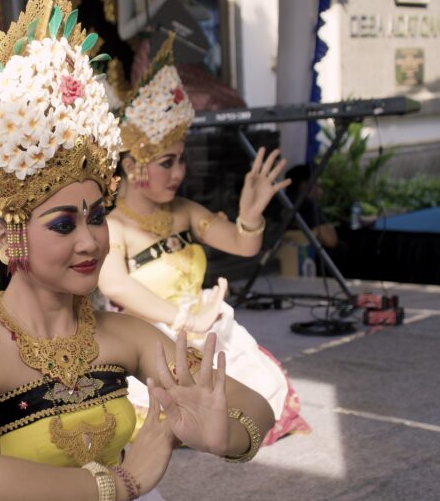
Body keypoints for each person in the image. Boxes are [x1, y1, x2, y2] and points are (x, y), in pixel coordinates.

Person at [0, 0, 273, 501]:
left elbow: (254, 410)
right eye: (63, 222)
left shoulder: (123, 337)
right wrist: (123, 481)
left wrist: (221, 433)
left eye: (95, 216)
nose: (90, 240)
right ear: (8, 239)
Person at [97, 35, 309, 445]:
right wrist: (183, 321)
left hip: (201, 329)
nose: (179, 172)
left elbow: (245, 246)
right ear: (131, 164)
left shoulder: (186, 211)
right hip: (148, 341)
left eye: (181, 160)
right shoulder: (113, 226)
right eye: (167, 162)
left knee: (262, 392)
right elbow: (115, 286)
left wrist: (249, 215)